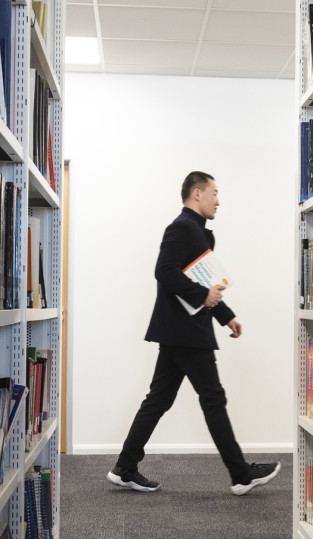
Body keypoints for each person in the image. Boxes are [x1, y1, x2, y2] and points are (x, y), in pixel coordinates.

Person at [107, 171, 280, 496]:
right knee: (212, 398)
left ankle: (125, 467)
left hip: (180, 331)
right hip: (185, 332)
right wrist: (203, 296)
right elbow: (164, 271)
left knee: (159, 399)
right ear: (197, 193)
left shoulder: (199, 233)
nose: (219, 199)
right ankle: (240, 473)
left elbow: (203, 281)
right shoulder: (182, 228)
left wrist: (226, 316)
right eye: (215, 192)